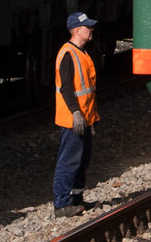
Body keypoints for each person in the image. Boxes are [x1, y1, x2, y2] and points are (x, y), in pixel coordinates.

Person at [52, 11, 100, 218]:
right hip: (73, 119)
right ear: (77, 30)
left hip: (85, 118)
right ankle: (61, 204)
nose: (91, 30)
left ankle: (77, 199)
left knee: (82, 160)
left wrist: (90, 119)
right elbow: (66, 88)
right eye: (88, 27)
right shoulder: (67, 54)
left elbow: (87, 91)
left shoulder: (82, 53)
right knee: (69, 161)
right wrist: (75, 113)